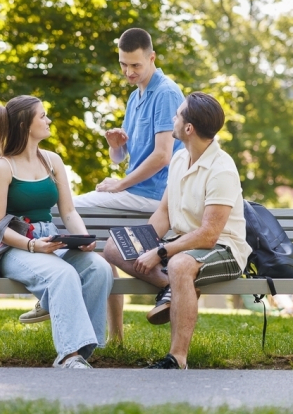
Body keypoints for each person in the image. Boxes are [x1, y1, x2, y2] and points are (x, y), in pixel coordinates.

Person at [20, 28, 185, 339]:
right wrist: (116, 146)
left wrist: (120, 184)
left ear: (152, 58)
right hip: (137, 191)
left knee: (61, 209)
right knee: (98, 248)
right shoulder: (135, 96)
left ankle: (48, 292)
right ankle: (116, 338)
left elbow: (163, 156)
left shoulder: (165, 92)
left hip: (154, 197)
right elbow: (125, 158)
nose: (128, 72)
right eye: (123, 64)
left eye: (136, 65)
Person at [103, 92, 251, 369]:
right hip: (182, 243)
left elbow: (209, 235)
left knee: (181, 265)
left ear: (188, 128)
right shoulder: (181, 158)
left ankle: (177, 358)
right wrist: (142, 244)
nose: (173, 117)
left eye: (178, 114)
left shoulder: (222, 170)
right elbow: (163, 213)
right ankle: (171, 288)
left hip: (224, 249)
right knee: (113, 246)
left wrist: (159, 253)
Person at [0, 95, 113, 369]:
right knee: (62, 274)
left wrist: (85, 239)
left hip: (50, 240)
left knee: (98, 268)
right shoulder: (2, 167)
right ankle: (68, 356)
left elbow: (68, 212)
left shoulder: (52, 161)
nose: (48, 120)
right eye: (42, 116)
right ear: (24, 124)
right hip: (16, 247)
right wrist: (32, 246)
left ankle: (82, 353)